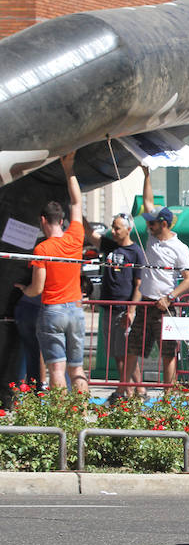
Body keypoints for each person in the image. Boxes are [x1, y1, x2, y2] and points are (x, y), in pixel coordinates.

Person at [15, 152, 89, 393]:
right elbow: (77, 203)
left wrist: (24, 289)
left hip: (53, 310)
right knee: (77, 369)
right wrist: (70, 169)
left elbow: (37, 287)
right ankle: (83, 417)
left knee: (56, 369)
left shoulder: (42, 249)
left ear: (43, 220)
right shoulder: (75, 237)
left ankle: (60, 421)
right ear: (62, 220)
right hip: (76, 310)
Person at [124, 167, 189, 394]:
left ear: (163, 224)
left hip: (165, 306)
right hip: (146, 302)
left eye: (152, 223)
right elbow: (148, 202)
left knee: (167, 353)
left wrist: (170, 297)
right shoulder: (152, 239)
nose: (148, 226)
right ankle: (125, 390)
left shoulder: (179, 248)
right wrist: (146, 174)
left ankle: (168, 392)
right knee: (133, 348)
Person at [82, 211, 146, 401]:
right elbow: (90, 233)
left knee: (126, 353)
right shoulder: (110, 247)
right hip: (108, 308)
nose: (113, 231)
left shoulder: (136, 252)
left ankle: (130, 390)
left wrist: (132, 310)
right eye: (112, 226)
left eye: (117, 227)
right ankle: (133, 389)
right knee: (118, 354)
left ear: (128, 229)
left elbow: (139, 285)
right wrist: (77, 210)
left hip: (124, 308)